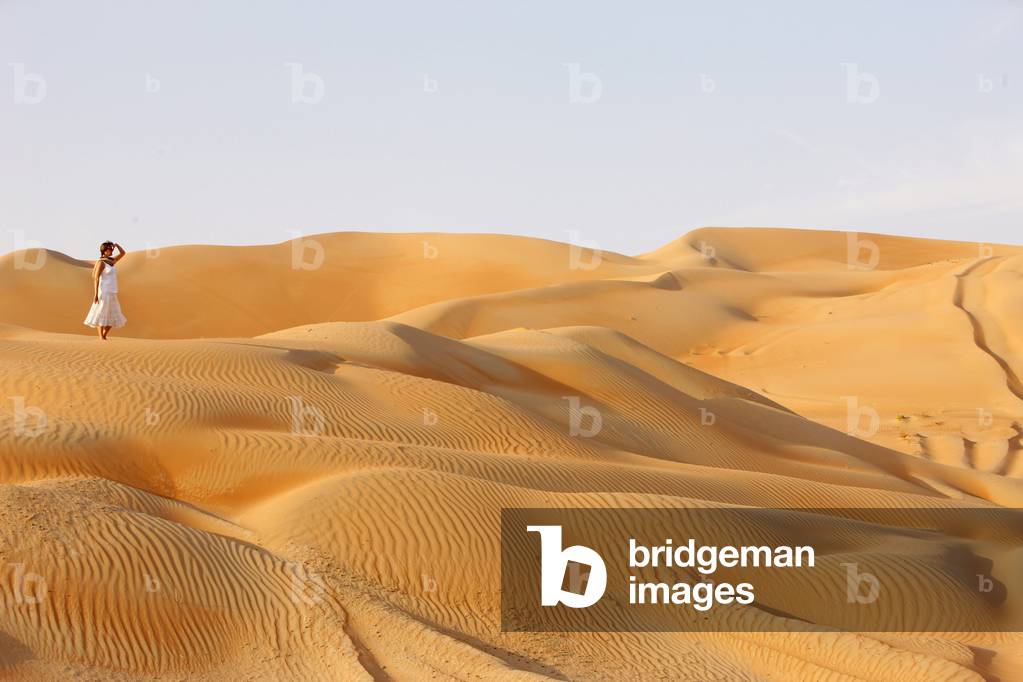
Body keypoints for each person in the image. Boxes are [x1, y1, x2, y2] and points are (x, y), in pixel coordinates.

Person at [84, 241, 127, 339]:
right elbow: (96, 278)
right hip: (103, 291)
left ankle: (103, 336)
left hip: (112, 291)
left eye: (111, 249)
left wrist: (117, 246)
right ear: (104, 251)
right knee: (101, 312)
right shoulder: (101, 262)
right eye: (109, 249)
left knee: (114, 314)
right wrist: (95, 294)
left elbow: (123, 253)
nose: (111, 250)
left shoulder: (111, 261)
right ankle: (101, 337)